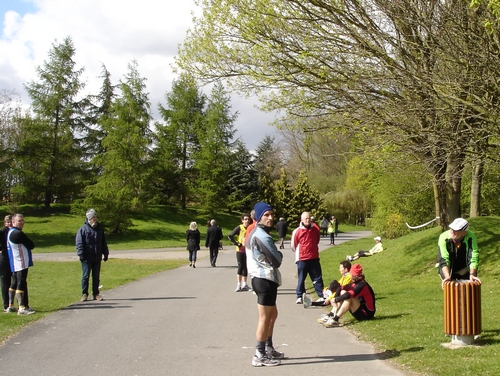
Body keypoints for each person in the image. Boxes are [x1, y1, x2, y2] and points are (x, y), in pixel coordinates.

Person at [246, 202, 284, 367]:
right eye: (266, 215)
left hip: (264, 279)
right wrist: (278, 254)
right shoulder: (262, 236)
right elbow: (277, 260)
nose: (270, 218)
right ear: (259, 216)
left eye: (272, 214)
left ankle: (268, 348)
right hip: (264, 279)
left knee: (272, 315)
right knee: (264, 318)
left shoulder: (256, 232)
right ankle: (259, 354)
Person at [323, 263, 376, 327]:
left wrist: (336, 299)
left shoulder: (362, 285)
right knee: (343, 292)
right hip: (359, 309)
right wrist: (334, 298)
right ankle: (331, 314)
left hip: (367, 314)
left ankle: (335, 319)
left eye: (350, 274)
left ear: (354, 275)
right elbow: (340, 288)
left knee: (349, 297)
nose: (349, 275)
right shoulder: (355, 283)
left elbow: (349, 295)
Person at [437, 217, 480, 289]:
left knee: (467, 294)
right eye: (451, 228)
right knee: (451, 293)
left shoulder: (470, 236)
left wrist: (472, 274)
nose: (452, 231)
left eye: (456, 230)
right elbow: (443, 259)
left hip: (464, 269)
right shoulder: (443, 237)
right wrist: (447, 276)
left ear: (464, 233)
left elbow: (473, 256)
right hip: (448, 269)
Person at [291, 211, 324, 304]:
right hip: (302, 259)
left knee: (317, 277)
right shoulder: (297, 231)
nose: (308, 220)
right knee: (301, 278)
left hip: (314, 257)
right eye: (306, 218)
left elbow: (317, 240)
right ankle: (299, 295)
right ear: (301, 220)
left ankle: (321, 295)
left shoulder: (315, 229)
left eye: (309, 218)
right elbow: (293, 245)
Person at [76, 209, 109, 302]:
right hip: (86, 258)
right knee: (85, 276)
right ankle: (84, 294)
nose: (96, 218)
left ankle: (96, 294)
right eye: (94, 217)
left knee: (96, 276)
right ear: (90, 218)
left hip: (97, 257)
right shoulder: (83, 229)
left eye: (96, 217)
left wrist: (105, 253)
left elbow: (103, 243)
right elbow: (79, 243)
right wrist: (81, 254)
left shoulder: (99, 230)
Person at [7, 214, 35, 315]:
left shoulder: (10, 232)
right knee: (21, 282)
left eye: (23, 220)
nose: (22, 222)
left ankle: (11, 305)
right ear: (13, 222)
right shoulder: (17, 233)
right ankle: (22, 307)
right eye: (19, 221)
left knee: (15, 282)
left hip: (15, 261)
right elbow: (31, 244)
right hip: (20, 261)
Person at [228, 213, 252, 291]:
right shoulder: (239, 228)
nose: (247, 221)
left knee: (246, 266)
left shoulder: (250, 227)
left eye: (248, 219)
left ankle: (244, 284)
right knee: (240, 266)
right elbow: (230, 236)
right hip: (240, 250)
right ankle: (238, 284)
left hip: (248, 249)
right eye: (245, 219)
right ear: (242, 220)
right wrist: (237, 243)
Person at [0, 215, 13, 312]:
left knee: (16, 281)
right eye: (8, 222)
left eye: (11, 222)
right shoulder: (2, 231)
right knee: (5, 282)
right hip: (4, 259)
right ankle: (6, 304)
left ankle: (14, 303)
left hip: (13, 259)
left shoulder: (14, 232)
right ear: (5, 223)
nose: (9, 224)